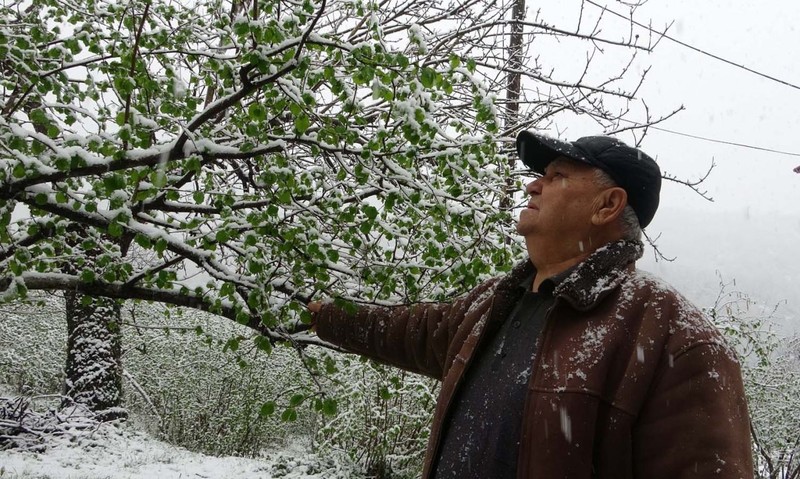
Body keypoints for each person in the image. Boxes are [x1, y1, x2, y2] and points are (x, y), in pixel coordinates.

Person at [309, 131, 754, 478]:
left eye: (557, 176)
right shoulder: (493, 304)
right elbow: (409, 331)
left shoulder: (674, 338)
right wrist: (315, 313)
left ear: (608, 205)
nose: (532, 185)